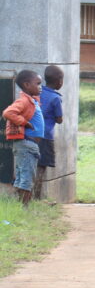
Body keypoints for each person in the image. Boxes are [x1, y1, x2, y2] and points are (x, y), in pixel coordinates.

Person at [4, 70, 44, 208]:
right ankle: (24, 208)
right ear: (27, 85)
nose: (40, 87)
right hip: (26, 144)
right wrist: (24, 122)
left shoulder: (33, 100)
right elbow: (8, 112)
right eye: (38, 83)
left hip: (28, 145)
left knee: (23, 176)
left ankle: (19, 207)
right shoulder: (24, 101)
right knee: (27, 177)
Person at [34, 65, 65, 199]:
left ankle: (25, 196)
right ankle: (36, 197)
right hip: (45, 136)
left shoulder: (37, 92)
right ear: (59, 81)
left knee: (30, 166)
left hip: (31, 134)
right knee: (41, 167)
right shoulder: (56, 98)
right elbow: (59, 119)